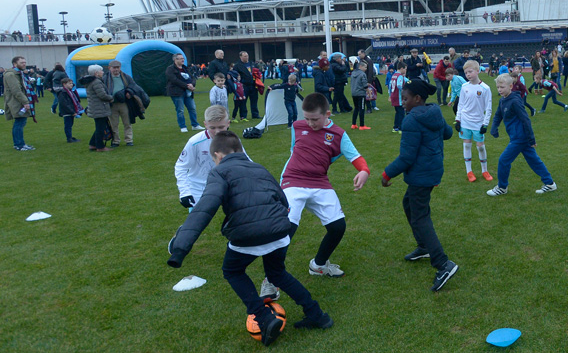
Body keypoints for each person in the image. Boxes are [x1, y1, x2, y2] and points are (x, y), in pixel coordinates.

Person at [166, 131, 334, 347]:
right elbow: (282, 199)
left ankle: (263, 317)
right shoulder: (259, 168)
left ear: (217, 155)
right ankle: (318, 315)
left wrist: (180, 248)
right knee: (277, 273)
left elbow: (204, 208)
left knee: (232, 271)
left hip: (248, 235)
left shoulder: (219, 173)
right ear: (238, 149)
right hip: (279, 231)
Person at [279, 92, 370, 279]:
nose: (310, 124)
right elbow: (294, 151)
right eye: (306, 118)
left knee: (338, 226)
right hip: (293, 180)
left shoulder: (338, 134)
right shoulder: (297, 127)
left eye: (315, 119)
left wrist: (364, 171)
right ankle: (272, 277)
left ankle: (318, 265)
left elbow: (356, 157)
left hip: (319, 182)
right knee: (287, 227)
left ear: (327, 114)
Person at [380, 80, 459, 292]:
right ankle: (424, 247)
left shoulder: (411, 121)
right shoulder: (433, 112)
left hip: (421, 175)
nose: (402, 102)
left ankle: (443, 263)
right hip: (431, 170)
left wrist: (387, 174)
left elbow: (406, 158)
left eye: (405, 98)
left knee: (420, 215)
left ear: (417, 99)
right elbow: (448, 134)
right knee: (409, 204)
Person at [486, 74, 557, 196]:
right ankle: (550, 183)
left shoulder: (515, 101)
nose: (499, 90)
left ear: (510, 86)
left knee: (503, 160)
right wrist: (494, 128)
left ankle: (502, 187)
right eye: (498, 87)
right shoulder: (503, 100)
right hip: (516, 136)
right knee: (533, 160)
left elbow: (525, 119)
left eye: (502, 87)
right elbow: (498, 115)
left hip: (520, 137)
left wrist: (531, 139)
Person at [454, 60, 493, 182]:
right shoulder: (464, 86)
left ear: (478, 71)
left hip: (478, 122)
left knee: (480, 147)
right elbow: (460, 104)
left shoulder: (485, 88)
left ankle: (484, 170)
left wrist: (485, 124)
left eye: (470, 71)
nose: (468, 74)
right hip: (465, 121)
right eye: (466, 72)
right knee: (466, 145)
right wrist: (458, 119)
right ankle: (469, 171)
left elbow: (488, 108)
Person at [79, 65, 114, 152]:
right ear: (96, 73)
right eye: (101, 71)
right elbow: (102, 95)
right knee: (100, 128)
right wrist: (111, 98)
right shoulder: (96, 82)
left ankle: (93, 144)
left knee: (99, 126)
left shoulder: (90, 81)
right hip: (99, 108)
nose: (103, 72)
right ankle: (100, 146)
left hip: (95, 107)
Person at [4, 55, 35, 151]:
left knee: (20, 122)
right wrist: (26, 102)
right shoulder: (11, 75)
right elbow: (16, 90)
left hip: (18, 101)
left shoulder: (18, 73)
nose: (24, 64)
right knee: (19, 122)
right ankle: (19, 145)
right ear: (15, 64)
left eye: (25, 62)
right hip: (16, 102)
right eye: (21, 62)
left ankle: (19, 144)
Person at [167, 53, 203, 132]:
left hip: (188, 92)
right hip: (177, 93)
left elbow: (192, 78)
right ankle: (183, 126)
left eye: (183, 58)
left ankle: (195, 125)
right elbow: (174, 80)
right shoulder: (170, 69)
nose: (183, 60)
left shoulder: (185, 68)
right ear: (175, 60)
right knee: (180, 110)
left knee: (192, 108)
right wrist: (187, 86)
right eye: (180, 58)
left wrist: (192, 85)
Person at [103, 60, 136, 147]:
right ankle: (115, 141)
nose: (116, 69)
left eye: (118, 67)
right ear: (109, 68)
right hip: (111, 104)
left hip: (124, 103)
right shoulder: (105, 78)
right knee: (114, 124)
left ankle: (129, 140)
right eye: (114, 68)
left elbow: (133, 86)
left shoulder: (126, 77)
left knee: (127, 122)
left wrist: (129, 92)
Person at [232, 51, 261, 120]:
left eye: (247, 56)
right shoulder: (237, 66)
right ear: (240, 57)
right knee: (243, 101)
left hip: (253, 85)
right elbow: (235, 76)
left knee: (254, 100)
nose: (246, 57)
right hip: (244, 86)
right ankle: (243, 115)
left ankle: (255, 114)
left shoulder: (252, 63)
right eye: (245, 56)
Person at [56, 77, 83, 143]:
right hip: (67, 112)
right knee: (68, 125)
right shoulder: (63, 93)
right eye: (69, 83)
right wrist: (72, 112)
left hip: (71, 111)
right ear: (64, 84)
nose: (71, 85)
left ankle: (70, 136)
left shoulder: (71, 91)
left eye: (72, 83)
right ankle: (69, 138)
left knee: (70, 124)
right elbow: (64, 104)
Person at [349, 61, 369, 130]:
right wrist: (368, 90)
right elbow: (364, 84)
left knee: (356, 108)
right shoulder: (362, 74)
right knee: (362, 109)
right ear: (361, 66)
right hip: (361, 93)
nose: (366, 68)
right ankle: (362, 125)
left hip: (354, 93)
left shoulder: (353, 73)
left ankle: (353, 124)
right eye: (365, 67)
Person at [389, 61, 407, 133]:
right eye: (405, 69)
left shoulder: (394, 75)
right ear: (402, 68)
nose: (406, 70)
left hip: (394, 95)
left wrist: (390, 95)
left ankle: (395, 127)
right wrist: (404, 91)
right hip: (398, 96)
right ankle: (401, 128)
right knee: (401, 112)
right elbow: (399, 85)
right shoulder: (400, 76)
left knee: (397, 112)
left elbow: (390, 85)